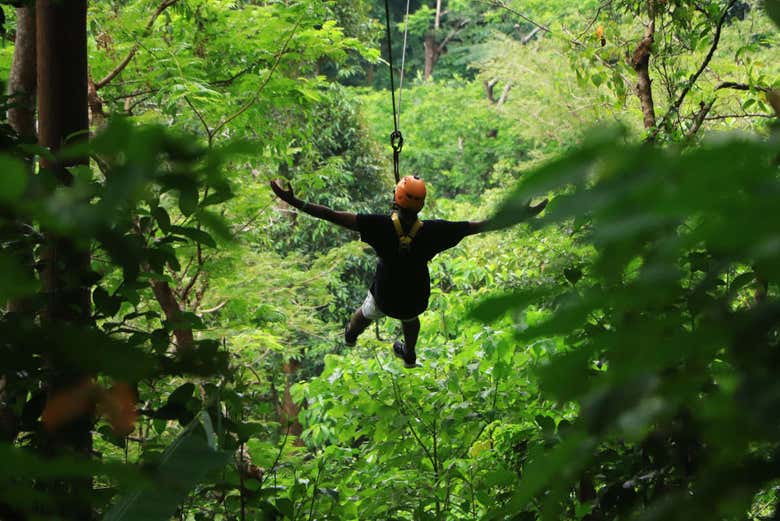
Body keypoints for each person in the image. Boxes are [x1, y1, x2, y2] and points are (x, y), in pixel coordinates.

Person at [270, 175, 547, 368]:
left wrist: (296, 203)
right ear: (421, 205)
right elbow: (480, 226)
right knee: (410, 318)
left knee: (365, 312)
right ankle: (410, 354)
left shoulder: (377, 226)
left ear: (396, 198)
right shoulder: (436, 232)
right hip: (414, 298)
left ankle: (350, 337)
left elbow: (332, 214)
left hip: (385, 295)